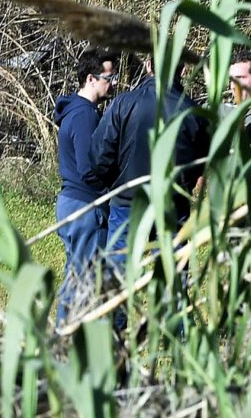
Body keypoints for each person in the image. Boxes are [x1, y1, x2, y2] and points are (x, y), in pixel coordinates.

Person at [87, 57, 210, 267]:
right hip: (172, 202)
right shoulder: (193, 112)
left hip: (127, 198)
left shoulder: (124, 103)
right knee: (173, 270)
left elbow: (99, 156)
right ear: (182, 71)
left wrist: (114, 184)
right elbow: (202, 161)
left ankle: (116, 298)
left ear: (148, 66)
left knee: (118, 268)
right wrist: (183, 187)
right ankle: (173, 298)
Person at [54, 49, 118, 326]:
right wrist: (108, 194)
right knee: (84, 278)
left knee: (77, 273)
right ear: (91, 79)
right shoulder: (84, 116)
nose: (113, 83)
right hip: (84, 207)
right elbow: (87, 168)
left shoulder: (78, 111)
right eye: (109, 77)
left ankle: (66, 333)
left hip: (71, 203)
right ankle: (65, 335)